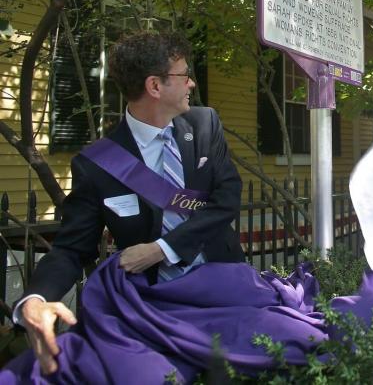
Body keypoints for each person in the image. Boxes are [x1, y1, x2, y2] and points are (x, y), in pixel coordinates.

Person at [14, 31, 245, 374]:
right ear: (155, 86)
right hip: (156, 306)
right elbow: (71, 248)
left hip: (224, 288)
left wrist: (162, 248)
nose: (192, 84)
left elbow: (226, 201)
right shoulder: (98, 163)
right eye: (184, 76)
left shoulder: (205, 125)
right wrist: (34, 299)